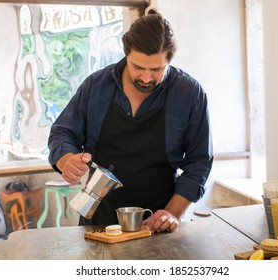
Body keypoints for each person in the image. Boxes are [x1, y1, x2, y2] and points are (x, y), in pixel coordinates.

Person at [48, 10, 213, 233]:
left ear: (170, 60)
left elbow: (199, 161)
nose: (146, 78)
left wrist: (172, 212)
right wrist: (67, 160)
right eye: (138, 67)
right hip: (97, 223)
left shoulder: (189, 94)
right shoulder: (96, 86)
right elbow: (62, 133)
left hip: (158, 225)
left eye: (156, 70)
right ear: (126, 53)